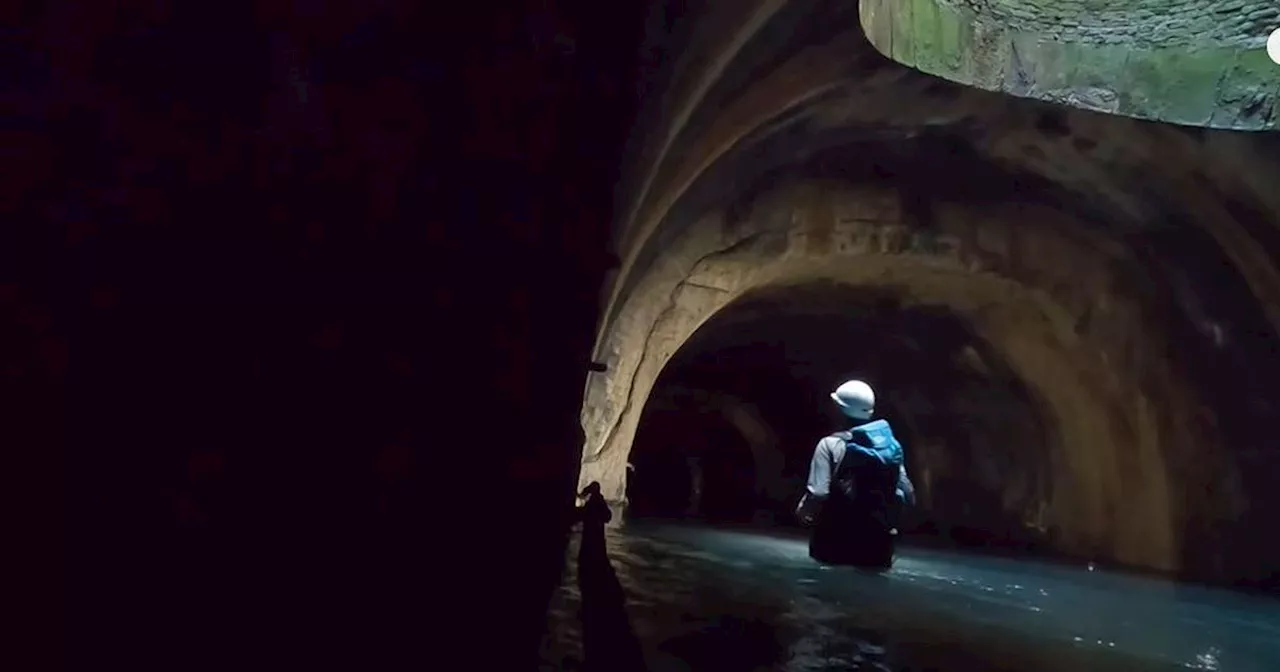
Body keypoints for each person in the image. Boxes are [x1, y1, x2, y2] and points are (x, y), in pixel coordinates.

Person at [796, 379, 914, 568]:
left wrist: (802, 514)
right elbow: (907, 494)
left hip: (835, 544)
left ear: (838, 409)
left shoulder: (829, 444)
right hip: (877, 548)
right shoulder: (890, 448)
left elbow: (818, 493)